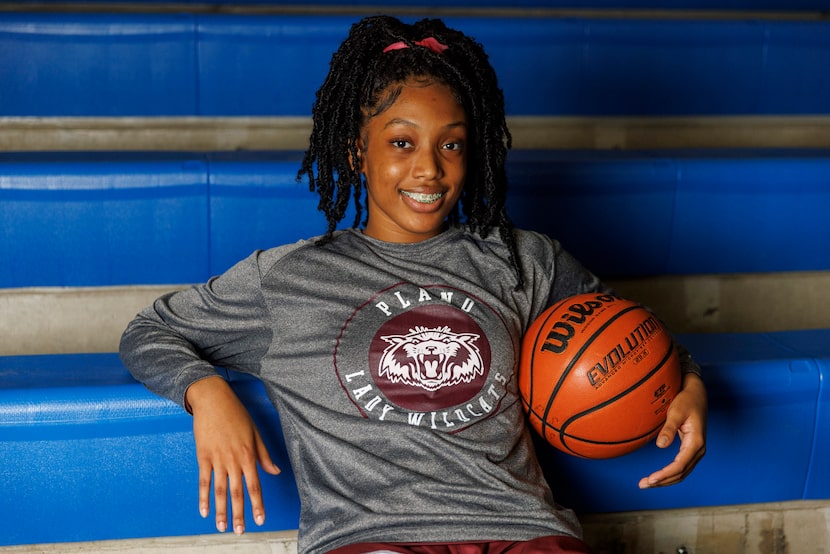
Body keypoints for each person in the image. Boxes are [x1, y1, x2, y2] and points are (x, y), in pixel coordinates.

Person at [120, 15, 707, 554]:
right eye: (402, 143)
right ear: (357, 151)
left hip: (516, 526)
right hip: (371, 534)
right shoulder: (290, 278)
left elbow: (631, 338)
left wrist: (690, 384)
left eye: (450, 144)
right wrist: (207, 393)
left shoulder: (523, 259)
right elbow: (150, 330)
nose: (429, 168)